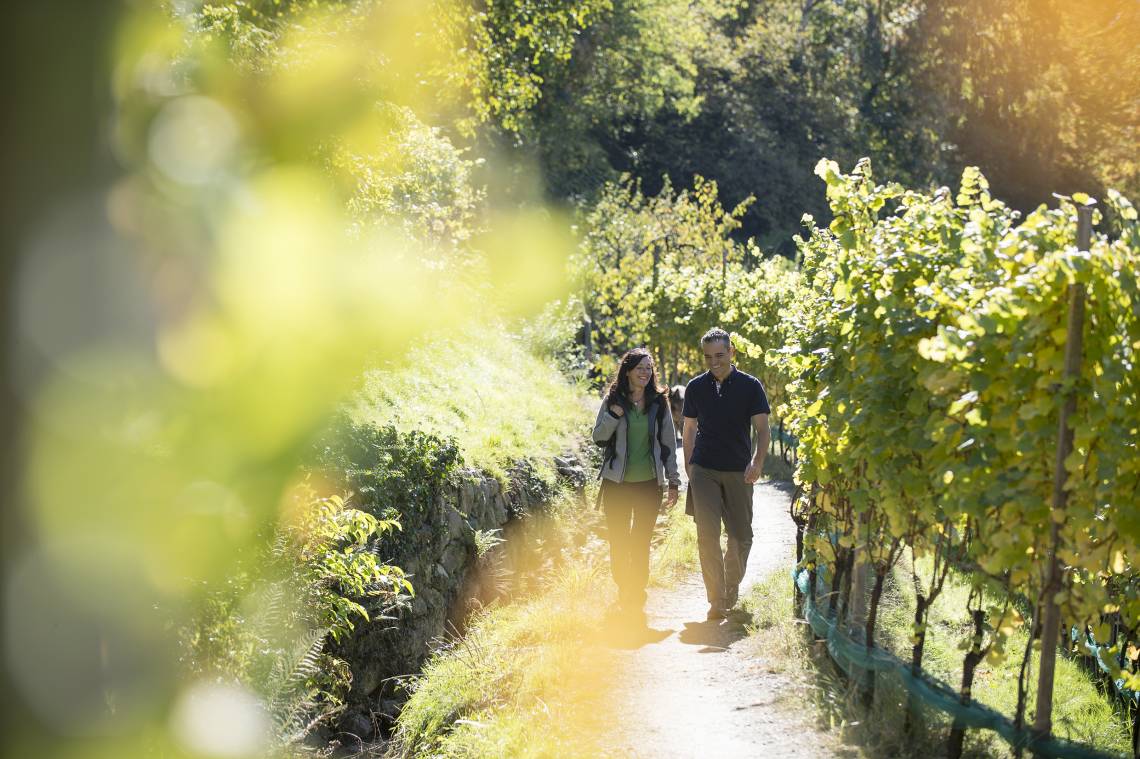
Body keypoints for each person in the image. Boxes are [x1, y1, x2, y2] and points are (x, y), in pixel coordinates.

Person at [682, 328, 771, 621]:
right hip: (704, 469)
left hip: (738, 470)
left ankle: (730, 587)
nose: (714, 362)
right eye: (708, 357)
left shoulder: (750, 386)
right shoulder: (696, 387)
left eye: (720, 355)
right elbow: (690, 428)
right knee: (707, 534)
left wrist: (757, 462)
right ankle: (716, 599)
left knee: (740, 535)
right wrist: (690, 465)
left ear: (731, 352)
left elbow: (762, 429)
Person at [592, 348, 681, 623]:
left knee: (640, 541)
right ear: (628, 370)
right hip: (616, 485)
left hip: (648, 486)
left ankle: (637, 590)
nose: (646, 372)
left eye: (649, 367)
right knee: (619, 540)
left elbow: (668, 443)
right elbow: (598, 437)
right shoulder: (613, 400)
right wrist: (614, 415)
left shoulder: (658, 402)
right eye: (641, 367)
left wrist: (674, 481)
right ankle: (624, 588)